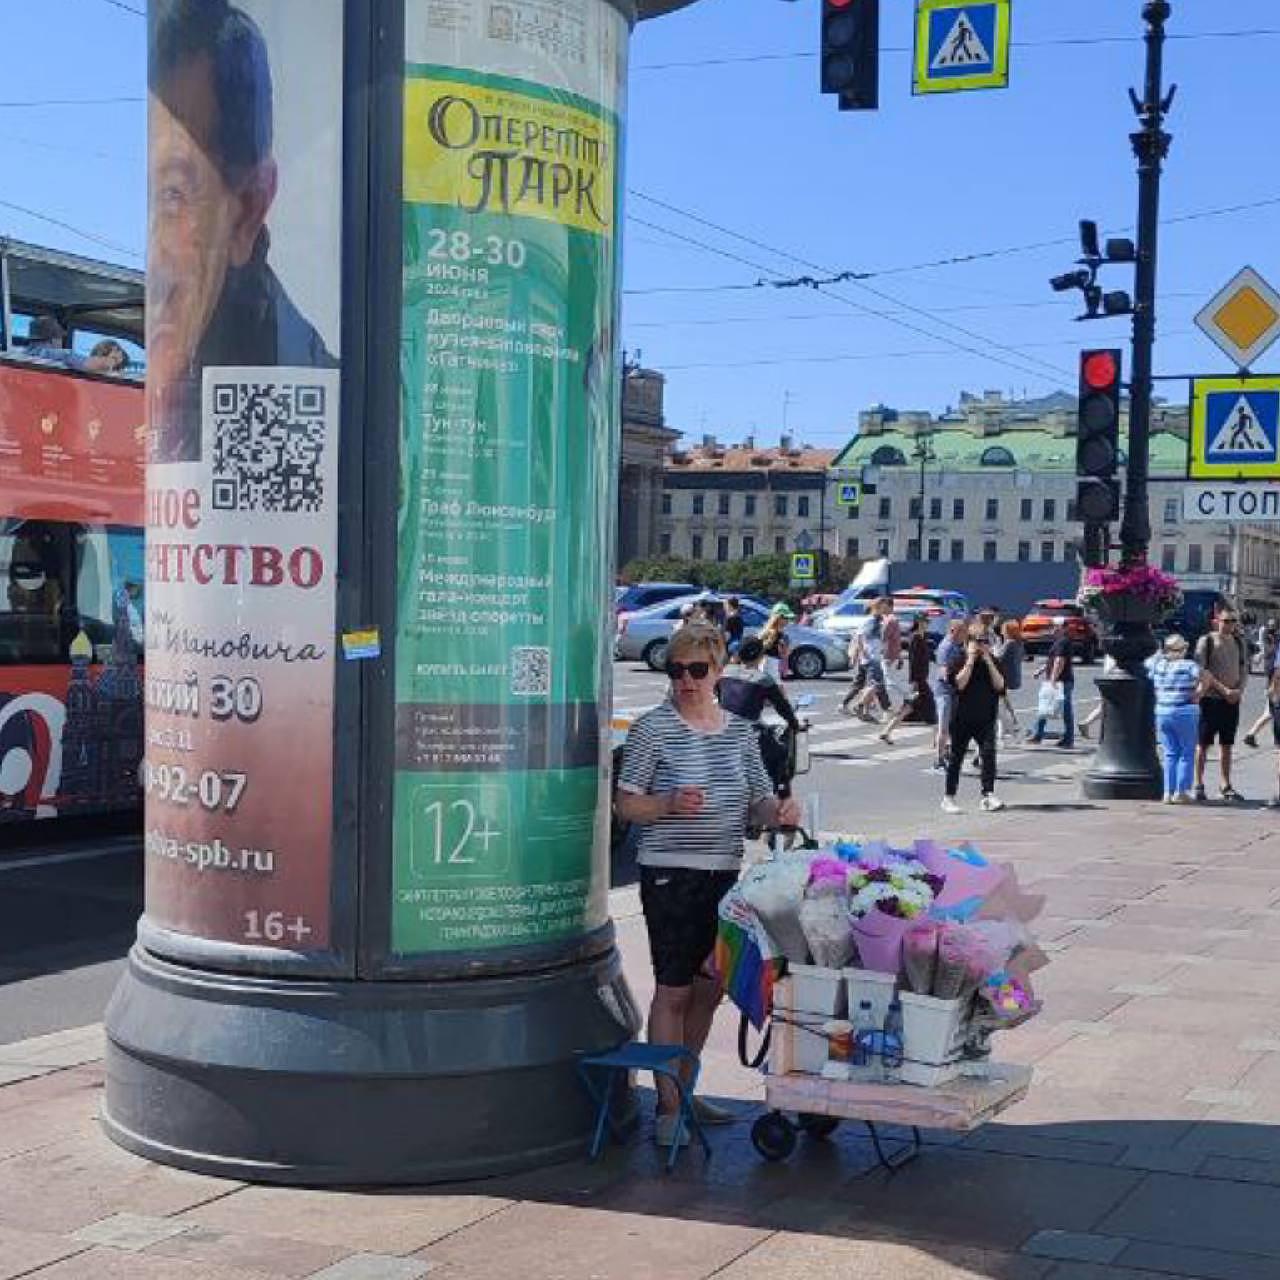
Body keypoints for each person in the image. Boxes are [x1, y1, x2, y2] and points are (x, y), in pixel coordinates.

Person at [615, 624, 800, 1148]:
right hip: (670, 872)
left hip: (724, 871)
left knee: (710, 986)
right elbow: (625, 804)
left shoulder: (741, 733)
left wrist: (780, 813)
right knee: (673, 988)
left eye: (697, 670)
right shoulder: (654, 729)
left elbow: (758, 803)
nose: (686, 681)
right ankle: (668, 1109)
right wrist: (668, 803)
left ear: (719, 672)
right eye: (676, 671)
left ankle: (685, 1086)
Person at [148, 0, 336, 464]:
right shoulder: (173, 405)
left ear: (249, 208)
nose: (149, 257)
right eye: (144, 199)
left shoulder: (312, 403)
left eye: (173, 196)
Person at [940, 623, 1006, 814]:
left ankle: (988, 795)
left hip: (985, 718)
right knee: (956, 757)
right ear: (970, 642)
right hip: (962, 717)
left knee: (989, 754)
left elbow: (1000, 686)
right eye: (979, 641)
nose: (983, 645)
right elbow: (959, 684)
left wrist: (989, 661)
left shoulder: (992, 660)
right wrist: (970, 659)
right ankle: (949, 797)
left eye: (986, 641)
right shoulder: (958, 659)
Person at [718, 636, 801, 788]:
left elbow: (716, 697)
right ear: (761, 656)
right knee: (780, 753)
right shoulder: (763, 679)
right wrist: (794, 724)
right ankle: (775, 793)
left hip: (721, 730)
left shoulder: (724, 672)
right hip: (749, 730)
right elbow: (782, 707)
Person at [1194, 608, 1248, 802]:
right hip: (1210, 699)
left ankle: (1225, 784)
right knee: (1203, 743)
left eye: (1233, 621)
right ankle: (1198, 784)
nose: (1229, 624)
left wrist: (1238, 691)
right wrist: (1224, 690)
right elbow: (1202, 670)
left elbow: (1244, 669)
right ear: (1217, 621)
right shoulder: (1206, 641)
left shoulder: (1239, 642)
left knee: (1227, 744)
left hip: (1232, 701)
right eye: (1226, 621)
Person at [1145, 634, 1203, 804]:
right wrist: (1198, 693)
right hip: (1184, 711)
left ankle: (1167, 792)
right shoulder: (1188, 665)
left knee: (1170, 753)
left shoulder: (1158, 665)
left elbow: (1148, 669)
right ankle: (1181, 791)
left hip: (1162, 711)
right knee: (1186, 752)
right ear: (1183, 650)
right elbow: (1204, 676)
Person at [879, 614, 936, 744]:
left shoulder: (922, 637)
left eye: (927, 621)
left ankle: (886, 732)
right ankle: (939, 740)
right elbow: (913, 661)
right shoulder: (916, 638)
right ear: (918, 622)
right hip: (920, 681)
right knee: (931, 709)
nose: (927, 623)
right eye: (924, 621)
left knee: (908, 708)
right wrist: (915, 682)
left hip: (921, 679)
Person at [1029, 619, 1076, 748]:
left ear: (1064, 628)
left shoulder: (1063, 642)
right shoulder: (1060, 641)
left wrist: (1053, 679)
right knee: (1045, 706)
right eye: (1053, 626)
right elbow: (1052, 660)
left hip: (1061, 681)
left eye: (1057, 626)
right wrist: (1041, 670)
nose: (1054, 629)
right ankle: (1038, 734)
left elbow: (1059, 661)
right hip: (1059, 680)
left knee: (1063, 710)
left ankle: (1068, 738)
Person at [24, 316, 117, 373]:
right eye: (60, 338)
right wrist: (111, 361)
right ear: (53, 339)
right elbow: (91, 365)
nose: (61, 342)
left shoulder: (23, 353)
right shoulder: (61, 355)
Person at [932, 617, 967, 772]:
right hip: (944, 692)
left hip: (953, 692)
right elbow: (944, 672)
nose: (964, 635)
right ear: (954, 631)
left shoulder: (957, 645)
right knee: (944, 726)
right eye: (962, 632)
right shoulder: (946, 647)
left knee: (952, 725)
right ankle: (938, 758)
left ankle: (946, 751)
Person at [994, 619, 1025, 744]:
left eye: (1003, 630)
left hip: (1005, 679)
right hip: (1013, 678)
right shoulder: (1019, 643)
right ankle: (1005, 731)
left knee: (1000, 706)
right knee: (1005, 705)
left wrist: (994, 651)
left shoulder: (1009, 643)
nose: (1002, 632)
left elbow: (999, 659)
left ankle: (1012, 729)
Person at [759, 603, 792, 681]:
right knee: (775, 686)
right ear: (779, 618)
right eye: (786, 618)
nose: (788, 620)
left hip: (770, 662)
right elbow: (765, 647)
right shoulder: (774, 632)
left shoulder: (771, 631)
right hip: (769, 662)